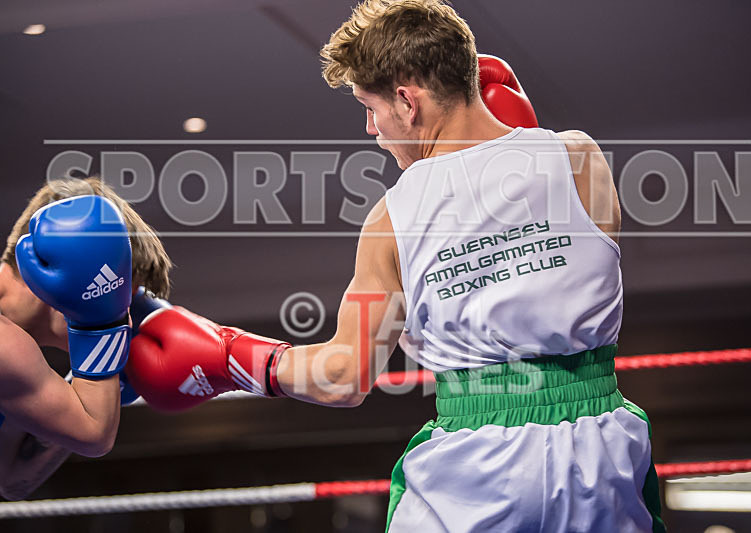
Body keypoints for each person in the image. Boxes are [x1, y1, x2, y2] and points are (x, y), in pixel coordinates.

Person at [125, 1, 665, 531]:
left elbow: (343, 377)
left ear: (407, 101)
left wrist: (234, 357)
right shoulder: (578, 159)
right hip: (604, 454)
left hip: (478, 468)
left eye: (371, 106)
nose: (370, 128)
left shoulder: (392, 220)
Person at [0, 178, 172, 501]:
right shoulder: (6, 348)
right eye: (113, 299)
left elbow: (11, 481)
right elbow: (94, 433)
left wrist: (86, 387)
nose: (124, 324)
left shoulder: (14, 368)